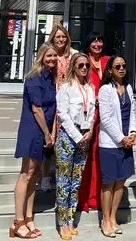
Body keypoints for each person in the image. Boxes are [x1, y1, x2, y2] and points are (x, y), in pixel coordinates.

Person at [10, 43, 58, 239]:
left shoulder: (51, 78)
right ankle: (17, 221)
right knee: (26, 174)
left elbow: (54, 109)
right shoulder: (34, 78)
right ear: (41, 57)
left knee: (35, 175)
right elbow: (37, 109)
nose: (53, 59)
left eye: (55, 56)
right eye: (49, 56)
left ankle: (29, 217)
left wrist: (52, 132)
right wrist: (47, 134)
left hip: (45, 131)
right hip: (33, 130)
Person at [55, 53, 96, 238]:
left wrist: (90, 131)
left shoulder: (90, 88)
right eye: (80, 65)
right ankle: (62, 223)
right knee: (64, 182)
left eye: (87, 65)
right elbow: (62, 115)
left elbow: (92, 113)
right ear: (73, 66)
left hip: (84, 136)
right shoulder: (65, 88)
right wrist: (76, 135)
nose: (84, 68)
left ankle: (70, 220)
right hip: (68, 137)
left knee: (76, 181)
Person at [98, 55, 136, 238]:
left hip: (126, 143)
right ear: (110, 70)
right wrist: (122, 138)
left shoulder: (129, 88)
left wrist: (133, 133)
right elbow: (105, 119)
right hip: (110, 143)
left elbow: (132, 113)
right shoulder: (105, 90)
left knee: (121, 181)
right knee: (108, 183)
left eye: (123, 66)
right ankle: (105, 220)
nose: (121, 69)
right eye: (117, 66)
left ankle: (113, 218)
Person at [41, 25, 77, 193]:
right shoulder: (49, 55)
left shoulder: (74, 55)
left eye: (63, 37)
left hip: (69, 102)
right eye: (57, 37)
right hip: (52, 100)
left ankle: (66, 179)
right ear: (52, 39)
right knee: (48, 143)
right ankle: (46, 177)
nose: (61, 40)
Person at [77, 32, 109, 211]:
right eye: (94, 41)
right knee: (86, 157)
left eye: (100, 41)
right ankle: (84, 199)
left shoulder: (107, 60)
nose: (97, 44)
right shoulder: (83, 61)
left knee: (99, 156)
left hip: (105, 114)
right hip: (88, 113)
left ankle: (96, 197)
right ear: (88, 44)